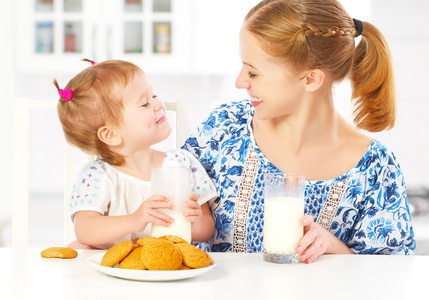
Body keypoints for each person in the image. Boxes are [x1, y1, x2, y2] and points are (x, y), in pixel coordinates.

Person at [182, 0, 415, 263]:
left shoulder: (375, 170)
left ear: (311, 79)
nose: (240, 81)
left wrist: (330, 245)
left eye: (253, 73)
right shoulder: (223, 129)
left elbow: (391, 278)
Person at [54, 59, 218, 250]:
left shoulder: (181, 164)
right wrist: (135, 220)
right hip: (111, 269)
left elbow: (207, 230)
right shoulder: (96, 175)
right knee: (78, 248)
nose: (157, 104)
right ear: (111, 134)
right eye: (145, 103)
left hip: (165, 263)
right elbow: (85, 230)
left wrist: (195, 220)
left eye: (154, 95)